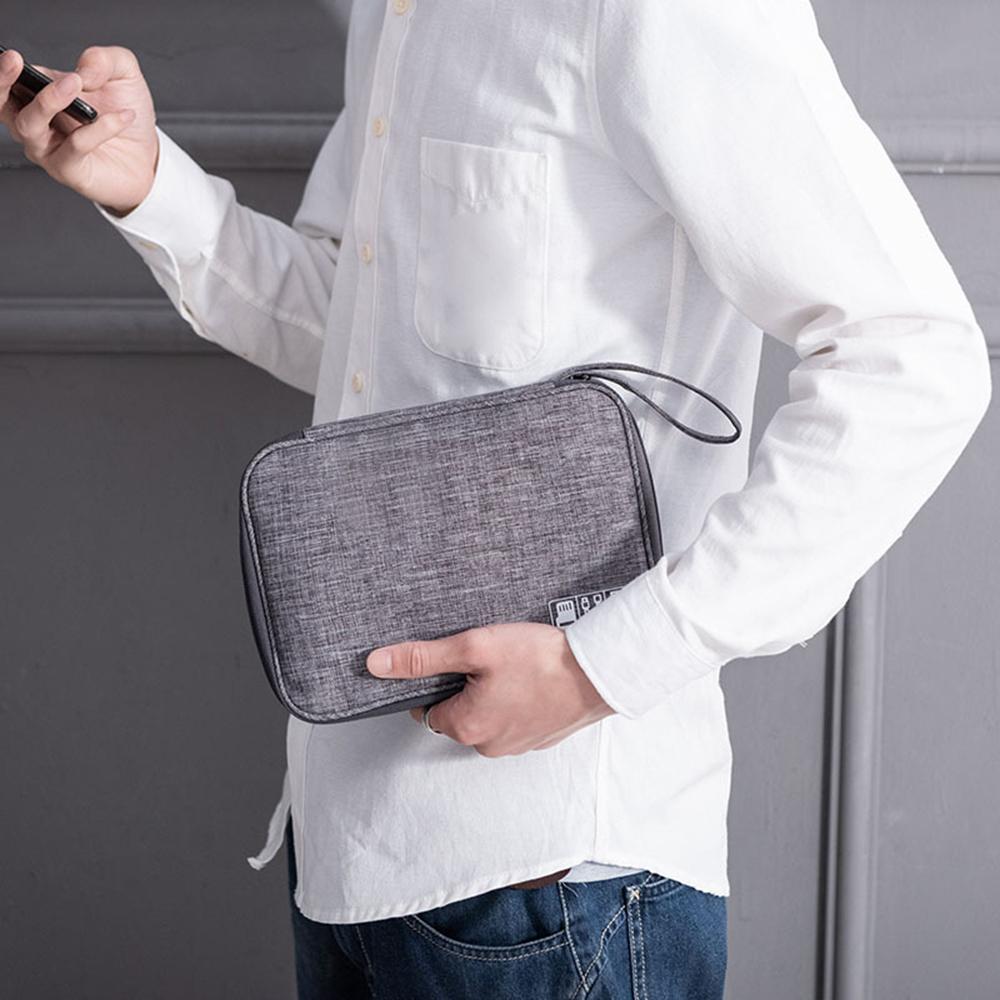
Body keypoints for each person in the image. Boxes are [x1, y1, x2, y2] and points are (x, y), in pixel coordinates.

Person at [1, 1, 991, 997]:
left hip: (557, 878)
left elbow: (912, 357)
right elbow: (360, 336)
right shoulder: (396, 12)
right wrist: (151, 188)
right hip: (347, 847)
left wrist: (597, 667)